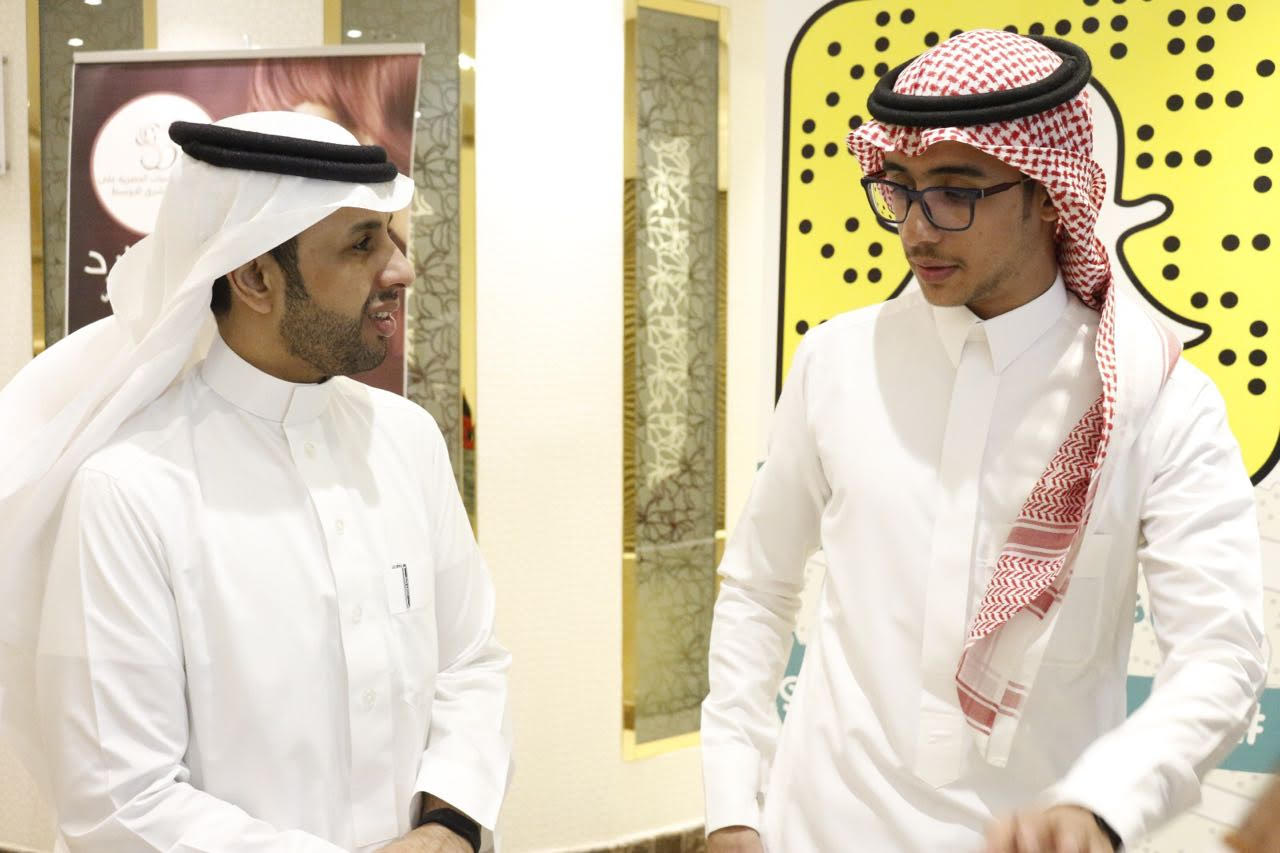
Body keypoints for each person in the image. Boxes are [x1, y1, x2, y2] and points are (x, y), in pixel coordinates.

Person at [701, 30, 1265, 853]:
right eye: (902, 189)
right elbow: (759, 585)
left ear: (1049, 192)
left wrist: (1102, 805)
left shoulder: (1157, 401)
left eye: (955, 193)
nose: (917, 229)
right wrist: (731, 804)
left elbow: (1221, 655)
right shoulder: (837, 361)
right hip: (817, 829)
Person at [0, 111, 510, 852]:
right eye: (362, 244)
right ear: (255, 277)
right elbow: (121, 801)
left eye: (391, 237)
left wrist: (449, 824)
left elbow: (471, 661)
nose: (400, 270)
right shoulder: (131, 489)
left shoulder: (407, 439)